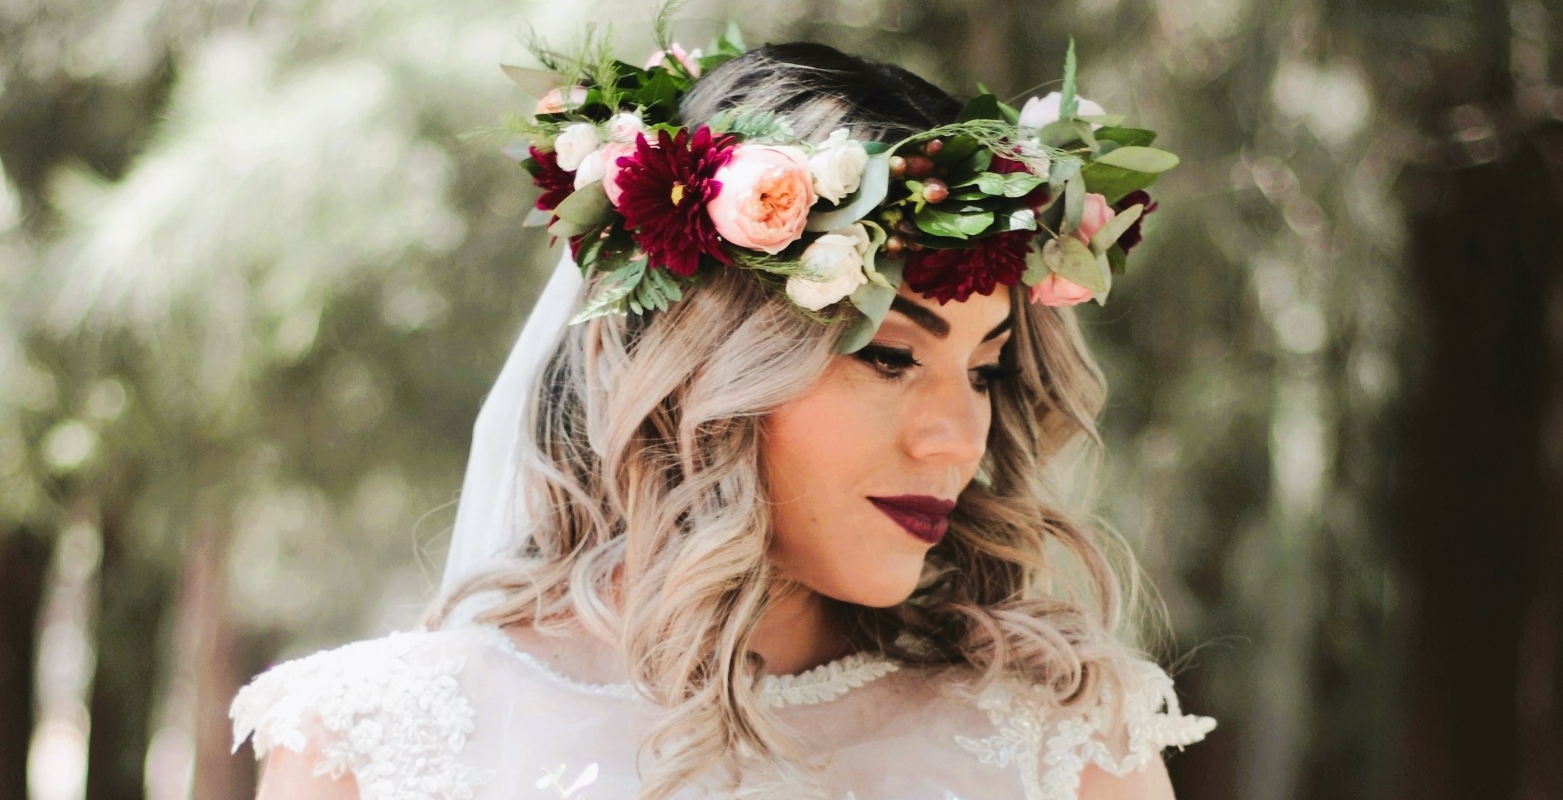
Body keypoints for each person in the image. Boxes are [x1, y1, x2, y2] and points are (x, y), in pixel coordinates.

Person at [230, 36, 1213, 800]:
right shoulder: (365, 745)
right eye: (888, 355)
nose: (958, 438)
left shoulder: (1071, 744)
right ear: (703, 367)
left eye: (987, 369)